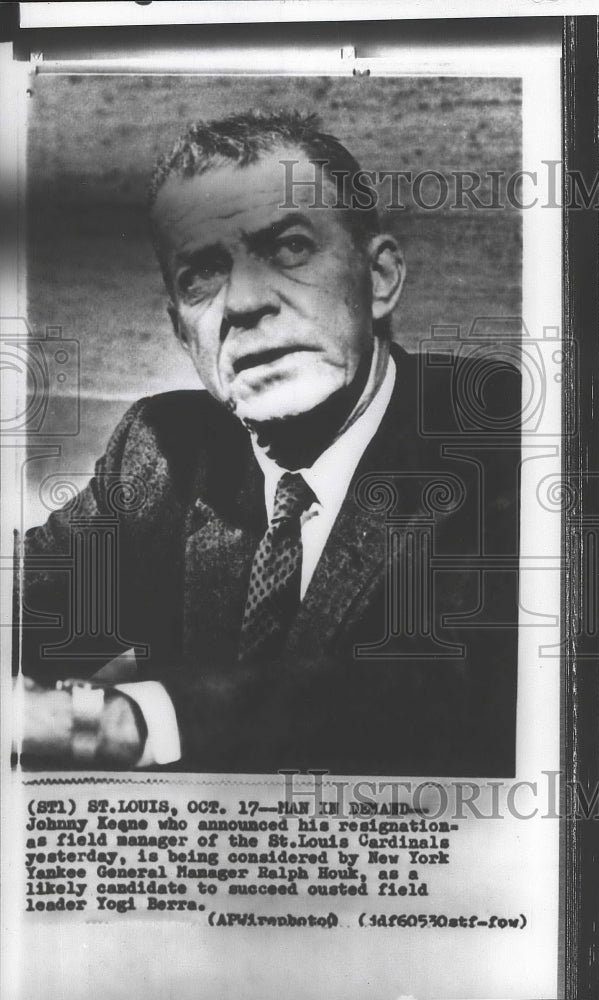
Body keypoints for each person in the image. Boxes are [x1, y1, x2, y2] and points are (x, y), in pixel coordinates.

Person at [16, 110, 521, 776]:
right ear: (180, 328)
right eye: (201, 273)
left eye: (288, 247)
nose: (245, 300)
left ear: (378, 279)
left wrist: (114, 722)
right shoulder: (161, 450)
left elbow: (446, 696)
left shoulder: (490, 431)